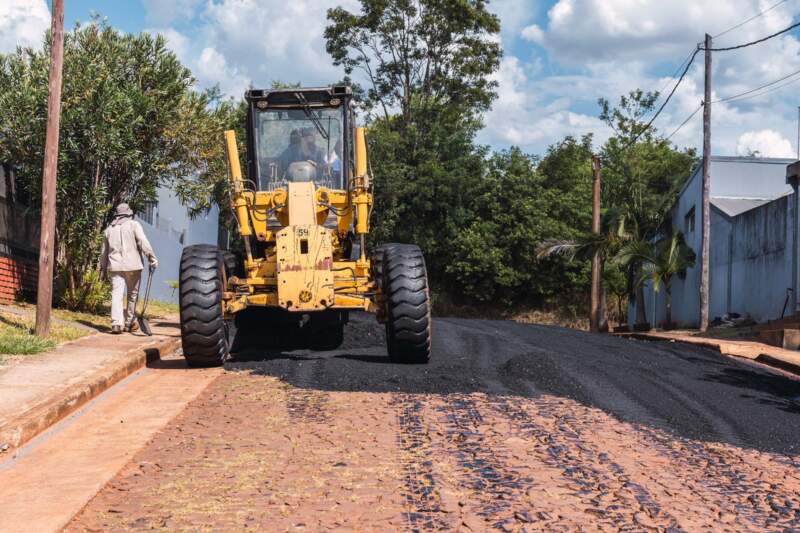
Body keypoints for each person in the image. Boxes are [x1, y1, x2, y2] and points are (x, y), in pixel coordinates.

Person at [100, 203, 158, 334]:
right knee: (132, 295)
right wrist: (152, 258)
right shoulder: (133, 225)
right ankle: (129, 322)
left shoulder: (109, 229)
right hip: (133, 266)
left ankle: (116, 324)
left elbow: (104, 253)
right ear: (129, 213)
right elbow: (143, 242)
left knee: (116, 294)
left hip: (115, 267)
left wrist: (103, 269)